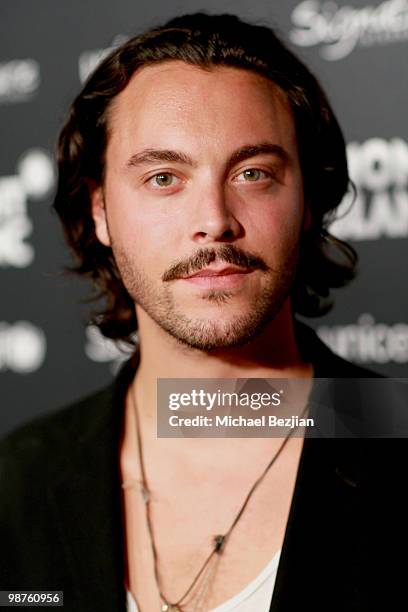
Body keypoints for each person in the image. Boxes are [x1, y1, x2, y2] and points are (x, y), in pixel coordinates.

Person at [0, 12, 406, 612]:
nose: (214, 219)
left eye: (253, 173)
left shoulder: (393, 434)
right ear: (101, 213)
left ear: (309, 200)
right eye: (164, 177)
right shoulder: (17, 482)